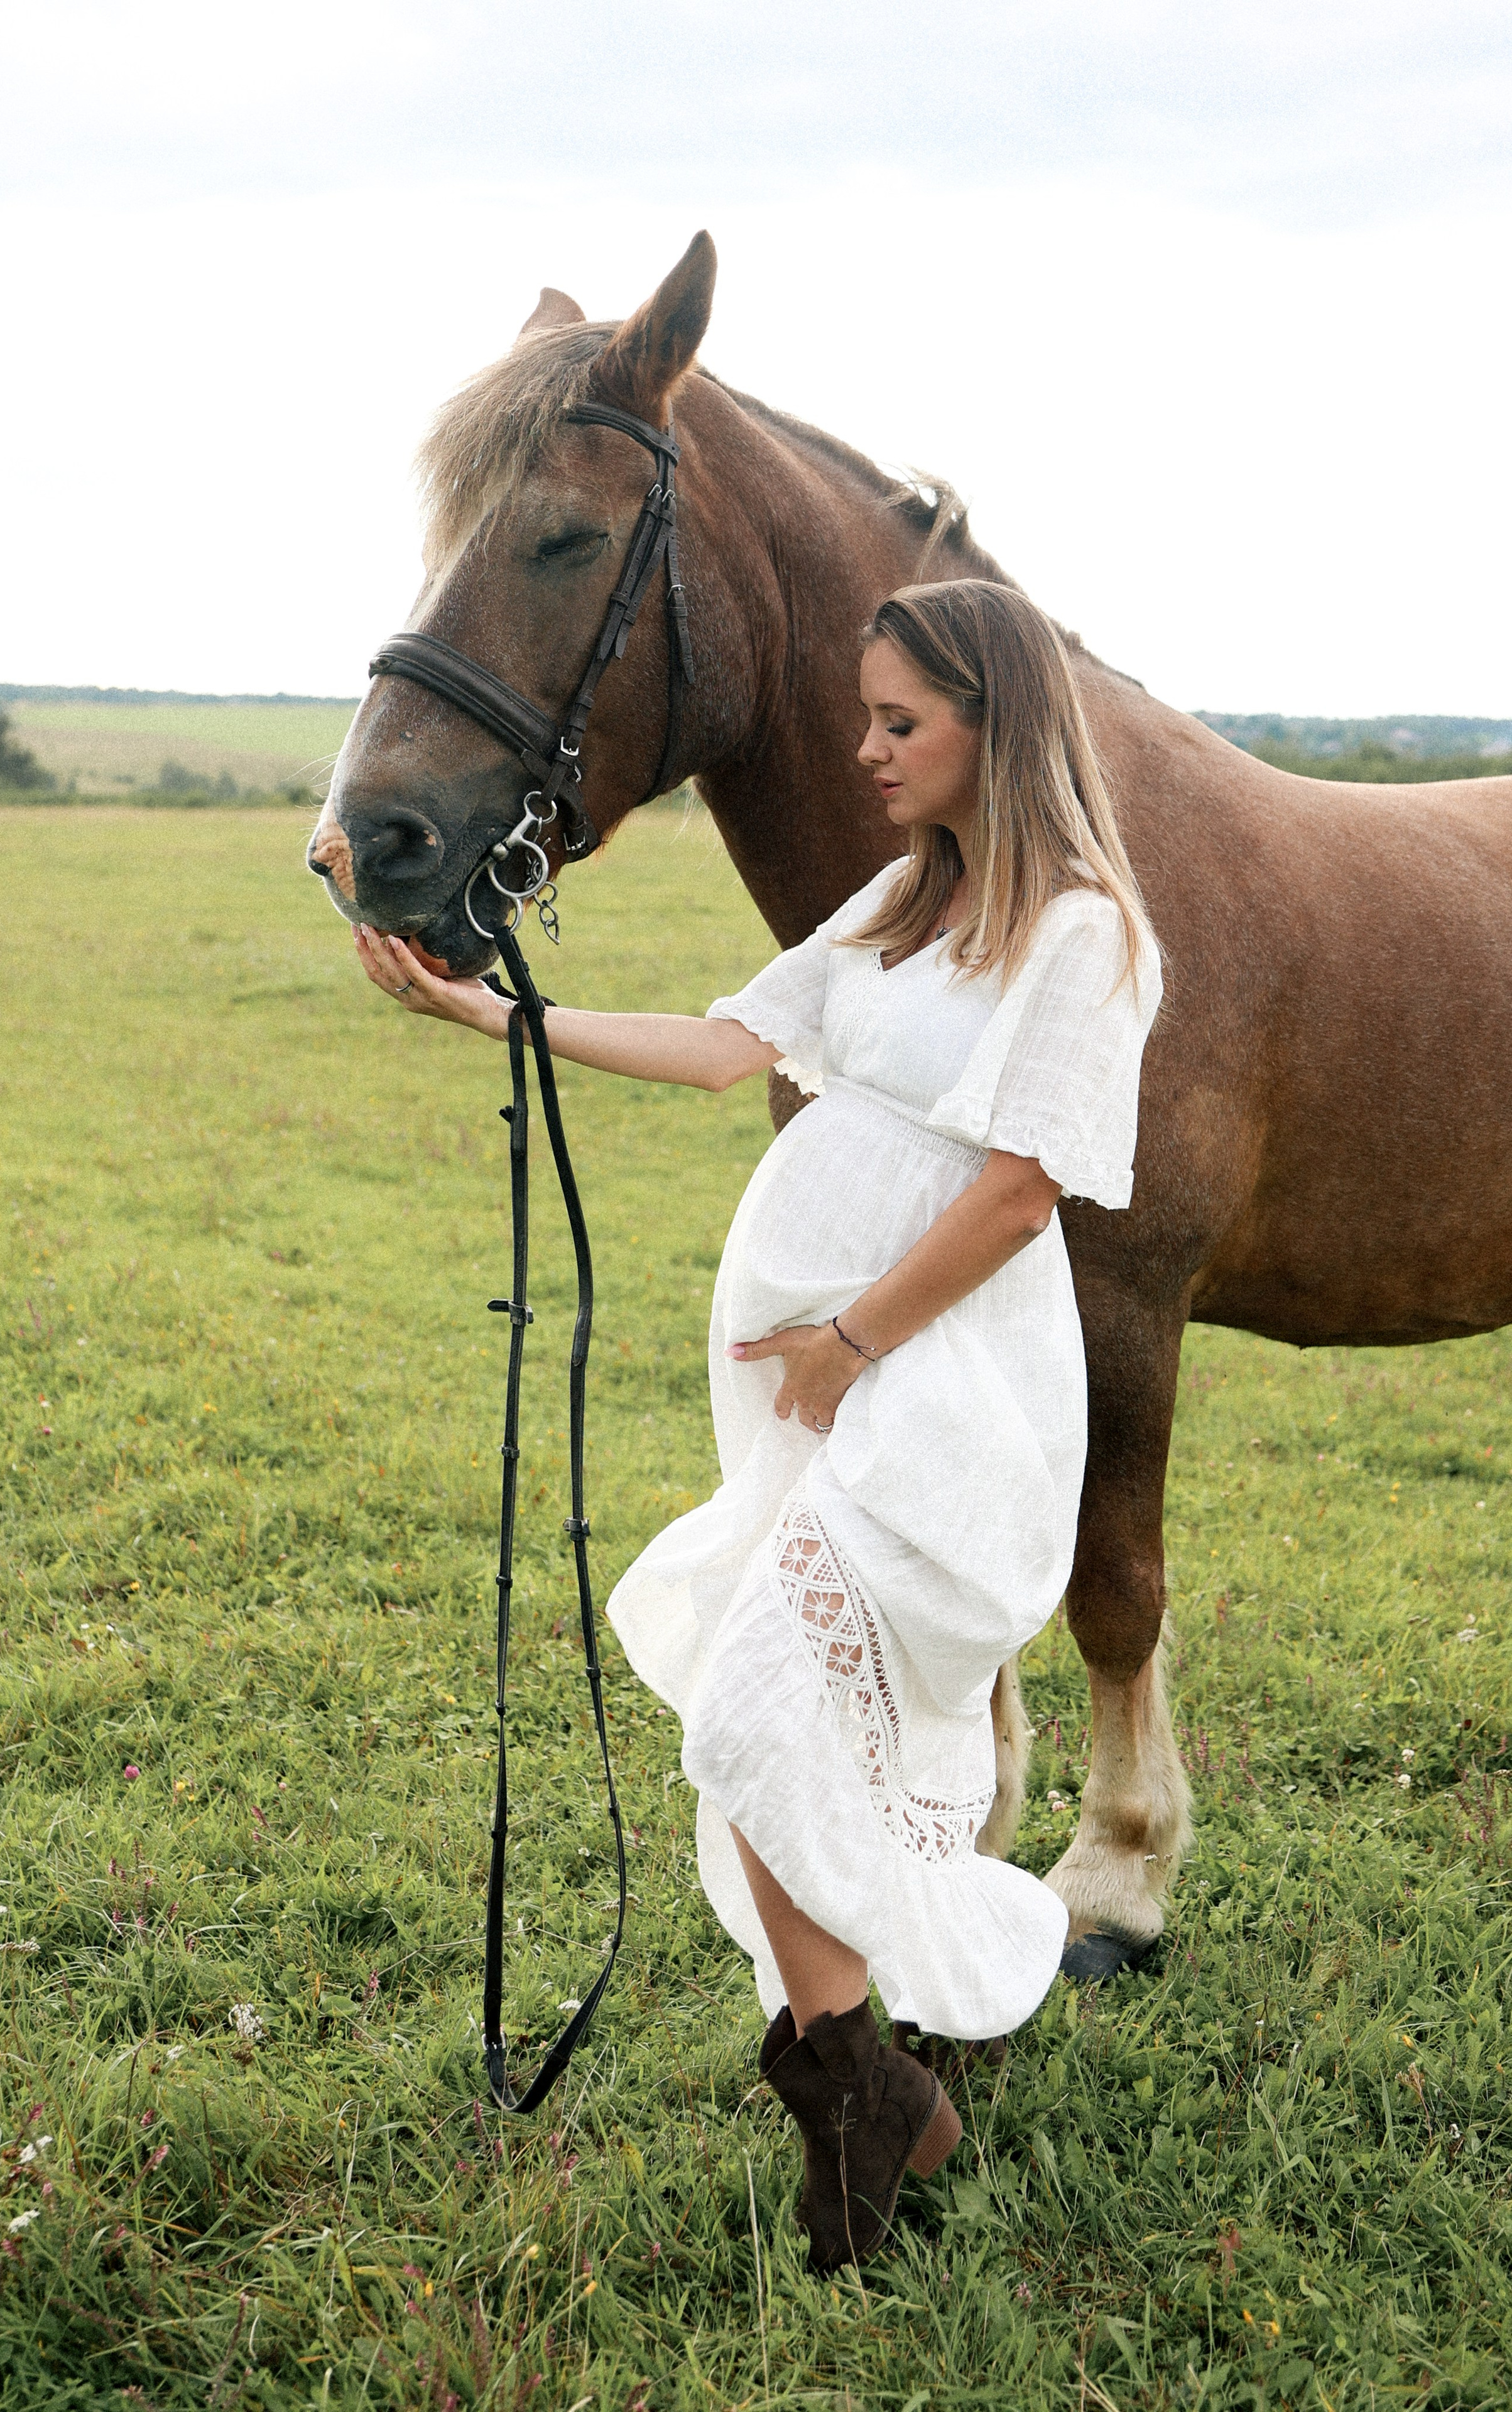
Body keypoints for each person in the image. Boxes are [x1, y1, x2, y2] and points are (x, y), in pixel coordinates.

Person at [354, 579, 1162, 2273]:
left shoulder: (1080, 930)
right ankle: (871, 2094)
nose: (865, 749)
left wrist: (851, 1343)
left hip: (938, 1386)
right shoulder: (895, 903)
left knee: (753, 1708)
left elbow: (1021, 1195)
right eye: (867, 716)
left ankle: (853, 2085)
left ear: (993, 725)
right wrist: (485, 1014)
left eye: (901, 722)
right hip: (821, 1384)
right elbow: (733, 1048)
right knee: (780, 1715)